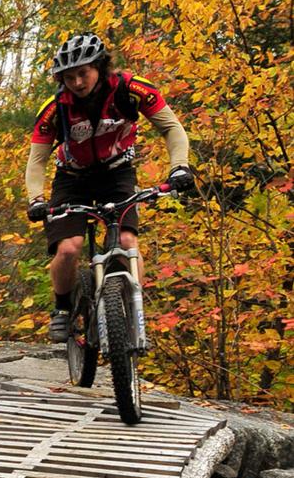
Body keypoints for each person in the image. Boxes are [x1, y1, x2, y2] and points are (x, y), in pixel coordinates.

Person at [25, 33, 196, 343]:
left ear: (100, 67)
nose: (77, 82)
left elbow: (172, 128)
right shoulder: (56, 108)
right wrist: (36, 199)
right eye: (69, 76)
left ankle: (132, 310)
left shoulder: (131, 90)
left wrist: (179, 166)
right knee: (68, 248)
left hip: (117, 174)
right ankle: (63, 309)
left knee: (128, 242)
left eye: (83, 73)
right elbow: (37, 161)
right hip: (72, 178)